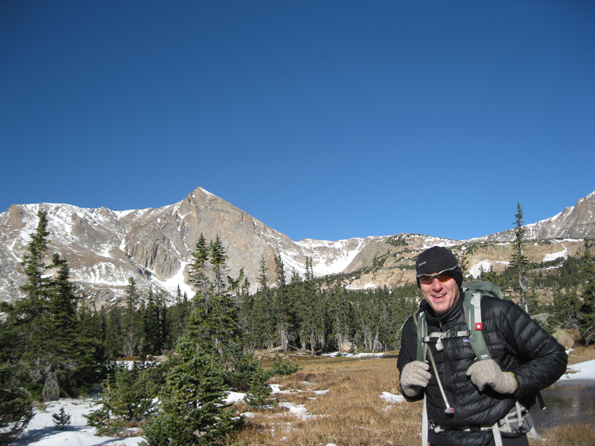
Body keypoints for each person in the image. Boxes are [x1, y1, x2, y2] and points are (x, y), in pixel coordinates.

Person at [397, 246, 567, 446]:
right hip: (440, 439)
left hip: (498, 437)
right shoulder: (415, 326)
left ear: (457, 279)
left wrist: (508, 381)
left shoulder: (496, 313)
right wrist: (407, 387)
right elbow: (411, 387)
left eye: (444, 277)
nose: (436, 286)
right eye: (427, 279)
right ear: (420, 285)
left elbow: (555, 357)